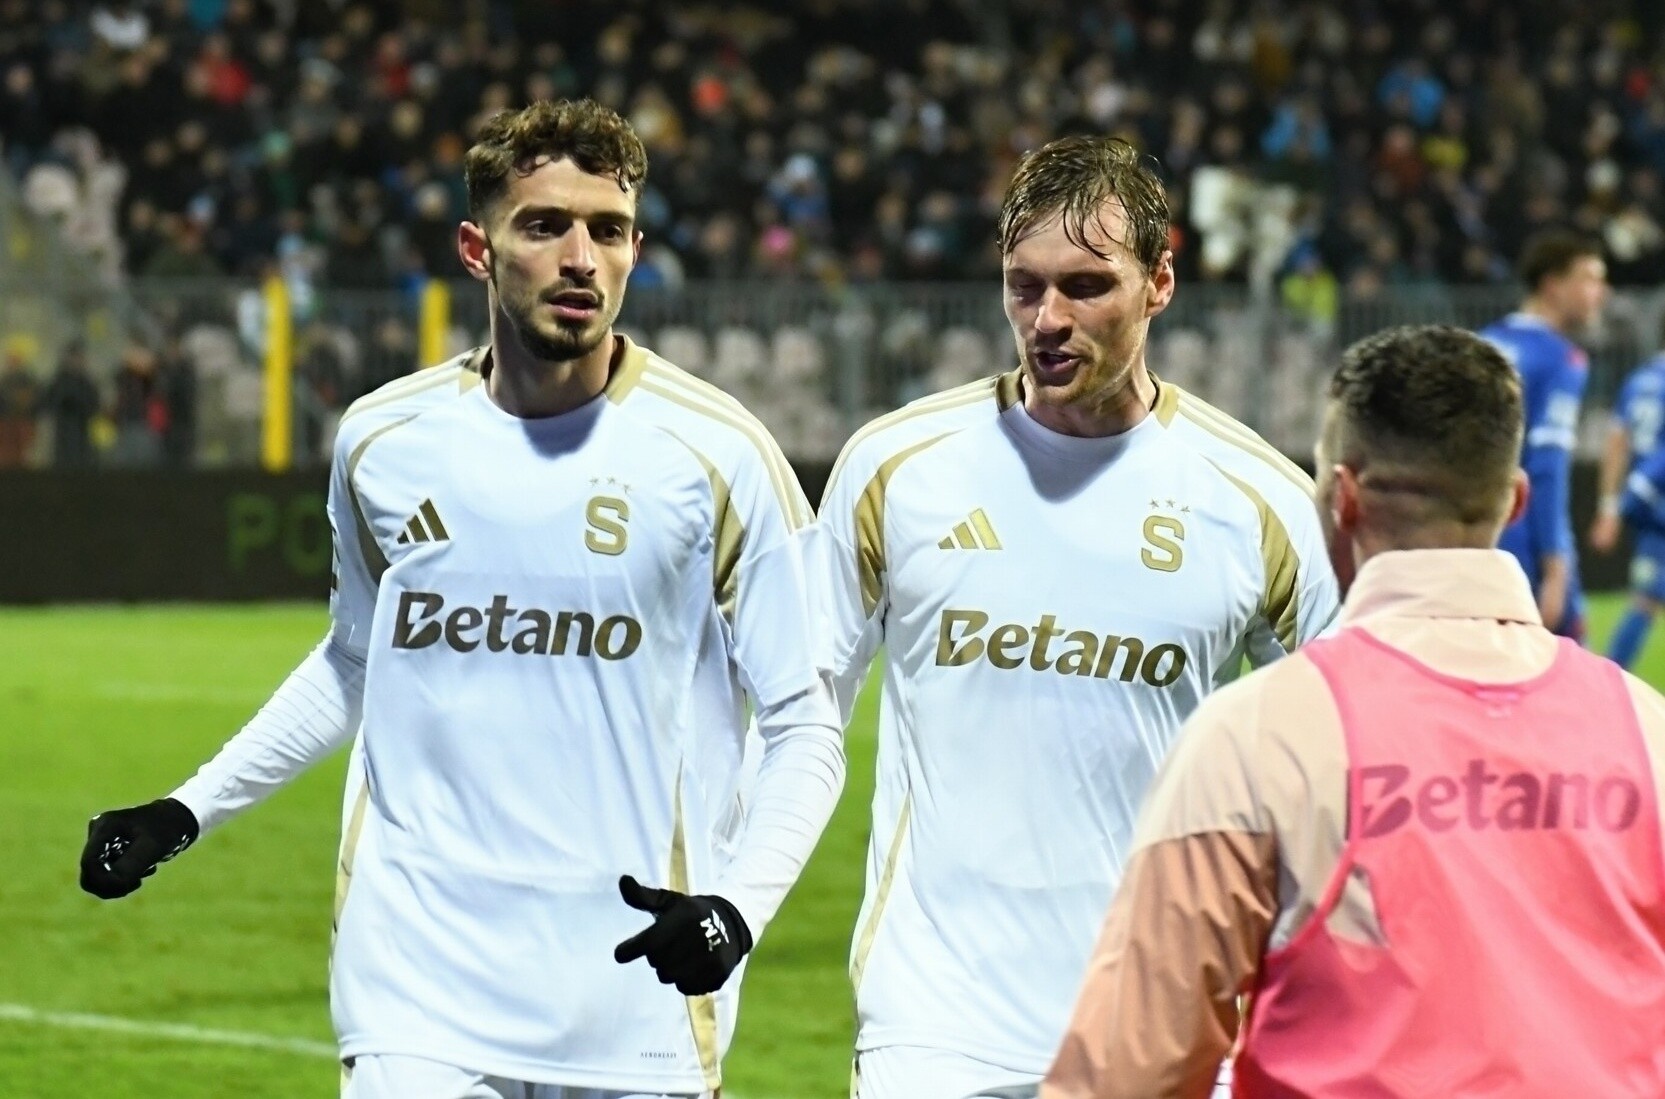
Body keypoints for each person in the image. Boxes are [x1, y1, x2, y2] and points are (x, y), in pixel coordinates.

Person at [78, 99, 845, 1099]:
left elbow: (803, 721)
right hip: (416, 986)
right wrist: (186, 808)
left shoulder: (720, 453)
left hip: (634, 992)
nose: (581, 258)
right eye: (545, 226)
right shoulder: (383, 442)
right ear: (478, 249)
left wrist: (737, 908)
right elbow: (355, 660)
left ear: (635, 249)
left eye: (608, 230)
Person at [813, 135, 1340, 1099]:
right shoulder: (896, 468)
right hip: (933, 1035)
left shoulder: (1258, 501)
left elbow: (1338, 757)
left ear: (1160, 283)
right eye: (1024, 287)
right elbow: (800, 712)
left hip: (1161, 1030)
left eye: (1086, 286)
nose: (1047, 319)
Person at [1042, 325, 1665, 1099]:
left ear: (1340, 497)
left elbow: (1126, 1071)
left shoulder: (1255, 734)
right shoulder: (1645, 730)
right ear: (1513, 502)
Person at [1478, 231, 1609, 641]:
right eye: (1589, 279)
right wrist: (1556, 562)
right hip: (1524, 539)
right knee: (1569, 663)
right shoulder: (1560, 359)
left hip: (1471, 535)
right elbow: (1547, 468)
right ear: (1553, 285)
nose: (1601, 293)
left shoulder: (1482, 343)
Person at [1590, 321, 1665, 668]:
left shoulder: (1638, 380)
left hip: (1645, 508)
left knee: (1646, 598)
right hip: (1654, 497)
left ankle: (1611, 675)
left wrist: (1610, 506)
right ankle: (1611, 674)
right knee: (1647, 598)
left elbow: (1617, 444)